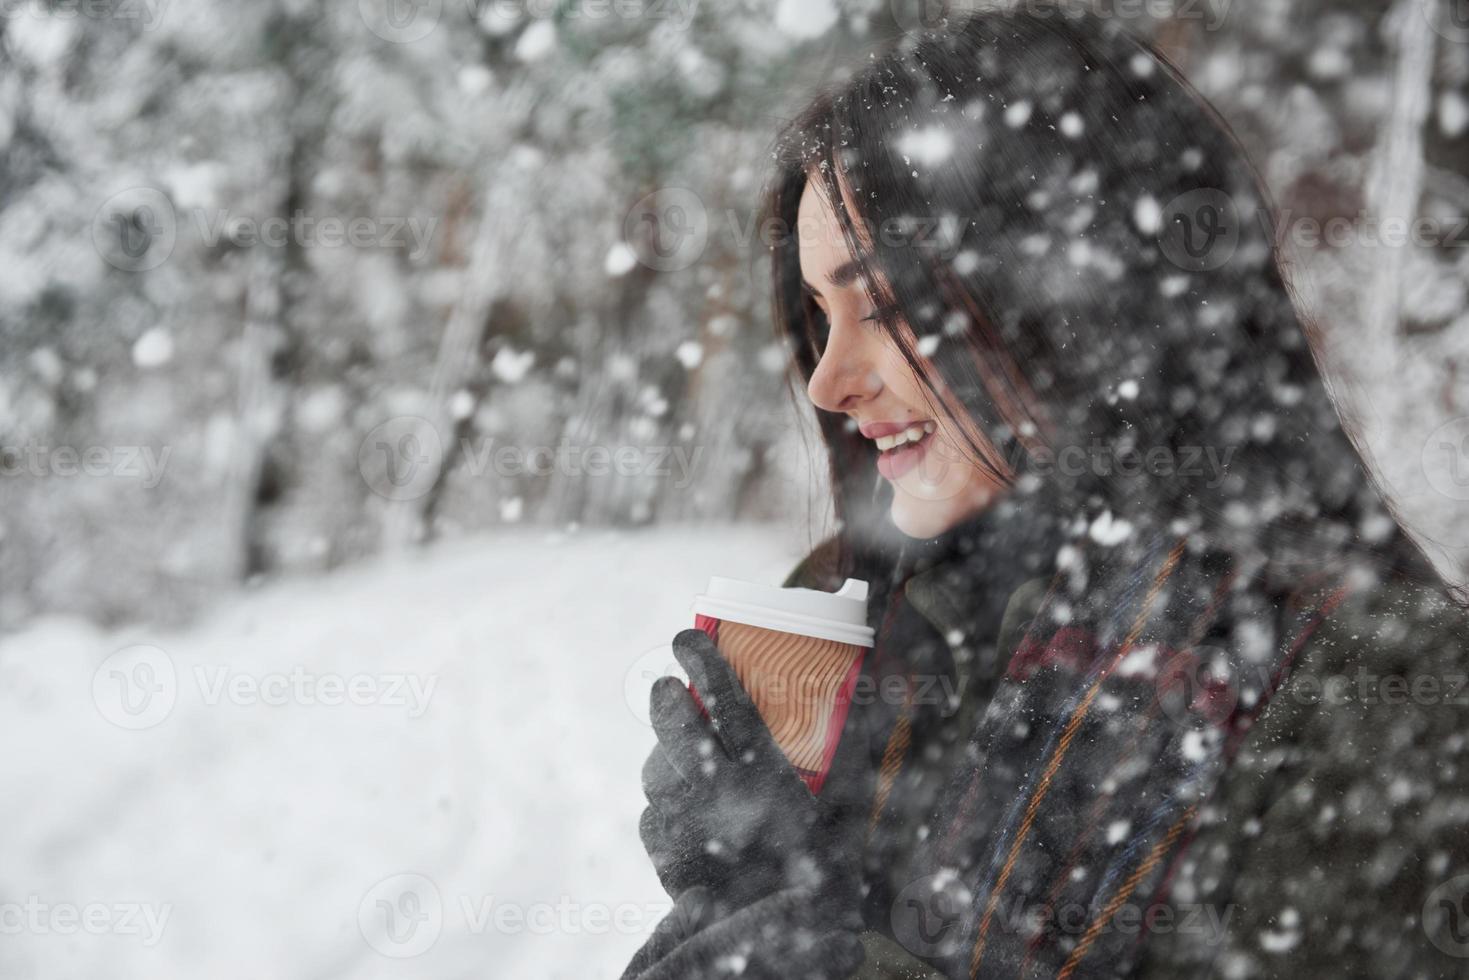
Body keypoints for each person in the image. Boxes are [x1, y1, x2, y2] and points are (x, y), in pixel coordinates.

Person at [623, 9, 1469, 978]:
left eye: (887, 305)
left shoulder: (1388, 698)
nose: (826, 379)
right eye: (820, 314)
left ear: (1080, 299)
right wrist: (745, 884)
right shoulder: (852, 604)